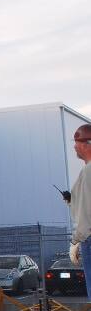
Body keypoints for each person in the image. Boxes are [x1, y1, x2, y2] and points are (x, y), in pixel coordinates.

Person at [66, 124, 91, 299]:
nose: (74, 146)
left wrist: (76, 239)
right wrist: (72, 200)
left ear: (88, 144)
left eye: (77, 142)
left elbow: (88, 209)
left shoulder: (89, 171)